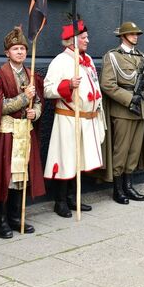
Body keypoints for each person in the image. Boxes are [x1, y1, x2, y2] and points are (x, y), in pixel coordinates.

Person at [0, 27, 45, 237]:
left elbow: (38, 103)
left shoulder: (32, 74)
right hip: (6, 132)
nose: (19, 52)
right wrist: (23, 98)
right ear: (7, 52)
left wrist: (34, 113)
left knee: (21, 176)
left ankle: (15, 216)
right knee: (4, 174)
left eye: (22, 49)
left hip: (24, 131)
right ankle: (0, 221)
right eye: (15, 48)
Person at [44, 19, 106, 212]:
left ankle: (73, 197)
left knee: (79, 158)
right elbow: (47, 89)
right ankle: (60, 201)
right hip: (69, 118)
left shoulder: (86, 61)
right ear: (72, 40)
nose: (88, 40)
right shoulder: (60, 61)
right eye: (84, 37)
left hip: (87, 119)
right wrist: (68, 85)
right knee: (66, 158)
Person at [100, 22, 144, 202]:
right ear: (123, 36)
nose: (136, 36)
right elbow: (107, 84)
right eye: (132, 34)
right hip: (122, 111)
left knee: (134, 151)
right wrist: (129, 98)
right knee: (121, 151)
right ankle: (117, 188)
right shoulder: (112, 57)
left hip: (139, 110)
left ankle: (129, 185)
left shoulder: (141, 56)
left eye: (137, 34)